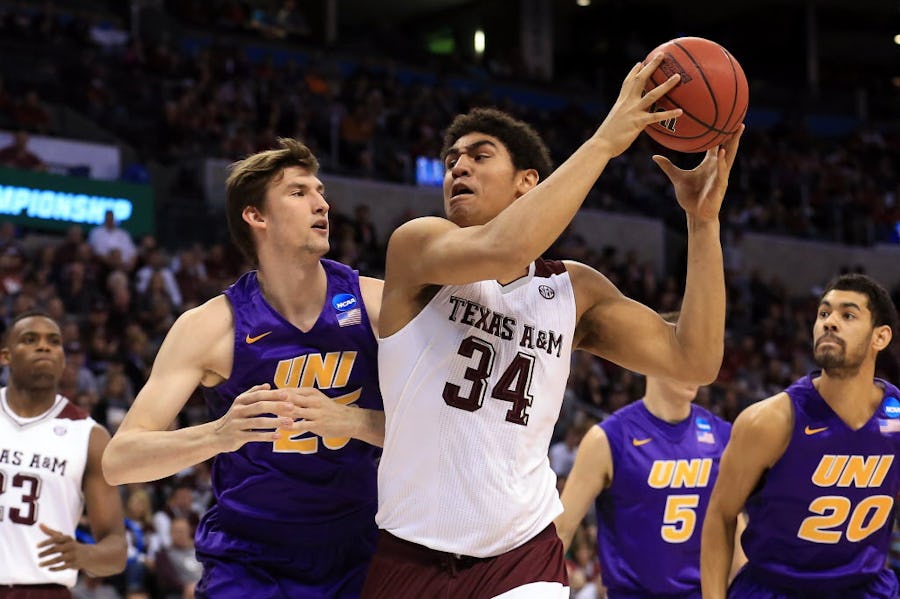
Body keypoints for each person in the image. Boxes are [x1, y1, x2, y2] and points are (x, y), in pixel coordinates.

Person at [362, 54, 743, 598]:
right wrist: (606, 141)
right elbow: (506, 247)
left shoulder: (574, 291)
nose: (457, 168)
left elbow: (696, 360)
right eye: (452, 160)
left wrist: (702, 223)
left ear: (528, 182)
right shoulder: (418, 246)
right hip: (410, 552)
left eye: (478, 155)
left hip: (522, 556)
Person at [101, 138, 385, 598]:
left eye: (320, 190)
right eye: (299, 192)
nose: (322, 203)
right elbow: (119, 461)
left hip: (359, 550)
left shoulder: (375, 304)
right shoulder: (209, 326)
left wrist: (352, 420)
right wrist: (219, 434)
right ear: (257, 217)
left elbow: (437, 431)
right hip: (250, 559)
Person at [702, 273, 900, 598]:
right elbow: (720, 515)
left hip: (867, 588)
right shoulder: (769, 421)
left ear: (880, 337)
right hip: (778, 588)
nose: (829, 323)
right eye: (824, 313)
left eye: (847, 315)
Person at [555, 311, 743, 598]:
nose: (699, 363)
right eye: (688, 350)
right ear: (653, 353)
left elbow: (734, 528)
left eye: (703, 352)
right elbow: (561, 531)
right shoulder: (608, 439)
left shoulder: (723, 435)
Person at [0, 312, 126, 596]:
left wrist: (84, 555)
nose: (44, 347)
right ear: (5, 356)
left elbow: (116, 550)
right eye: (29, 339)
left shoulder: (88, 435)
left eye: (54, 341)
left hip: (42, 590)